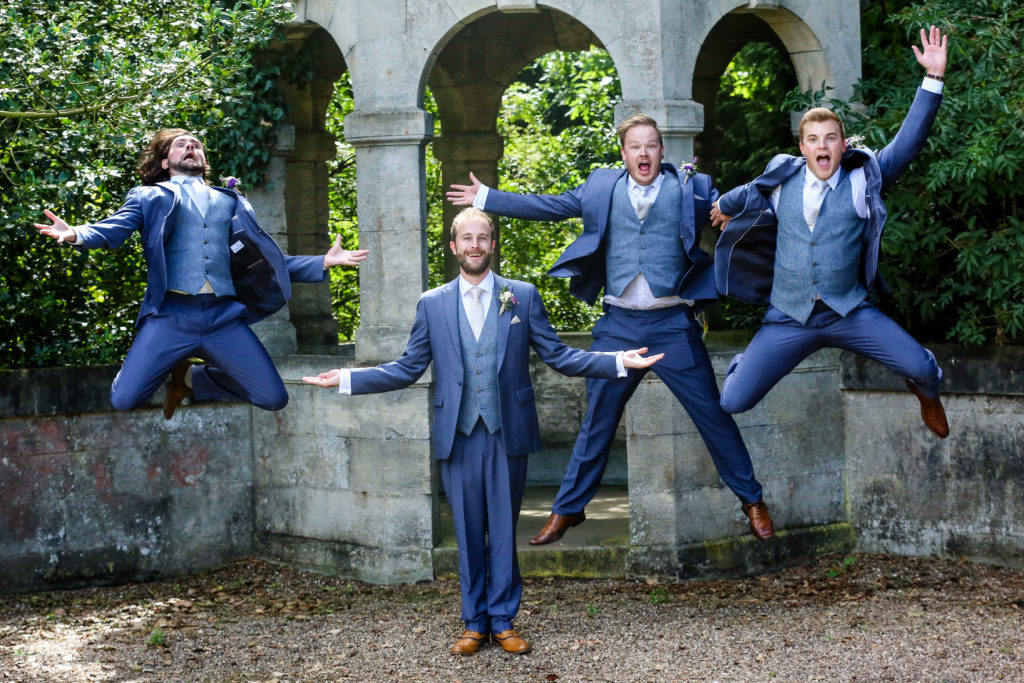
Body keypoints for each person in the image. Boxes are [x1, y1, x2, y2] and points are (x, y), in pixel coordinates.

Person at [303, 208, 662, 655]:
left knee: (502, 529)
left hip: (506, 430)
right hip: (457, 433)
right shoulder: (432, 303)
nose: (475, 245)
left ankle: (504, 620)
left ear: (493, 244)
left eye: (483, 237)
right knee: (470, 533)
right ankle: (474, 623)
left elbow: (560, 356)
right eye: (466, 238)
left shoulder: (522, 296)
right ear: (453, 247)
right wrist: (348, 378)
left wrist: (616, 361)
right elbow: (408, 367)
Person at [447, 116, 774, 546]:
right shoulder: (602, 187)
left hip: (673, 322)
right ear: (623, 153)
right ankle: (568, 509)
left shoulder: (691, 187)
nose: (644, 154)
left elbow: (733, 208)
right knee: (597, 421)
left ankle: (751, 500)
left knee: (713, 414)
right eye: (635, 147)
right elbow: (550, 206)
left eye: (652, 146)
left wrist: (737, 208)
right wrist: (486, 197)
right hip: (618, 324)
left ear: (662, 150)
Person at [711, 26, 949, 439]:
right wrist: (722, 207)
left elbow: (907, 145)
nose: (822, 146)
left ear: (842, 145)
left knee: (923, 368)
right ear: (802, 147)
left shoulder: (863, 180)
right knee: (732, 401)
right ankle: (744, 364)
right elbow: (745, 193)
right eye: (813, 140)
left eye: (831, 139)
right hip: (788, 317)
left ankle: (925, 395)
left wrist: (933, 79)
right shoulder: (781, 178)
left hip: (849, 311)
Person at [34, 128, 368, 418]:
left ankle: (191, 378)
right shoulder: (149, 197)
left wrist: (322, 262)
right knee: (124, 400)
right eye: (180, 145)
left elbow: (263, 260)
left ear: (204, 159)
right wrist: (76, 234)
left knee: (273, 398)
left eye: (195, 144)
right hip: (172, 316)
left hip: (223, 317)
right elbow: (113, 230)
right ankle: (158, 363)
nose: (190, 147)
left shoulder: (231, 201)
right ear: (165, 162)